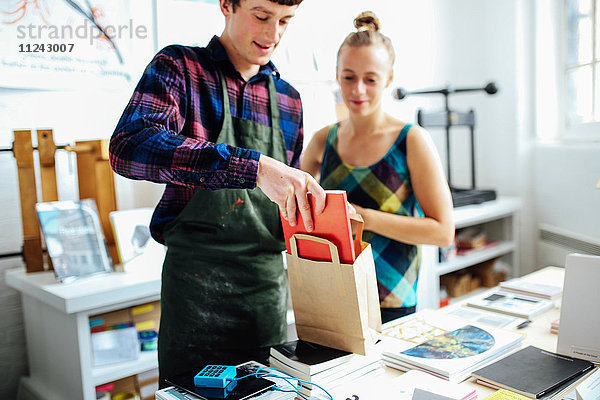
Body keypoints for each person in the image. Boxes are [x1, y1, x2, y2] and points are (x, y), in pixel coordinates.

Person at [109, 0, 326, 386]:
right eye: (261, 16)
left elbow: (285, 209)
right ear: (227, 4)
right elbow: (129, 148)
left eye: (285, 21)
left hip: (265, 296)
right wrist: (253, 166)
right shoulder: (179, 69)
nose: (272, 34)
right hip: (195, 291)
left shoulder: (290, 100)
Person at [301, 11, 455, 324]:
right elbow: (297, 208)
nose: (358, 90)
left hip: (392, 302)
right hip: (331, 296)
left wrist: (365, 218)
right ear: (337, 75)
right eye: (348, 77)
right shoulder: (323, 140)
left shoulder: (411, 141)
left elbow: (443, 231)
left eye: (370, 79)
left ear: (389, 79)